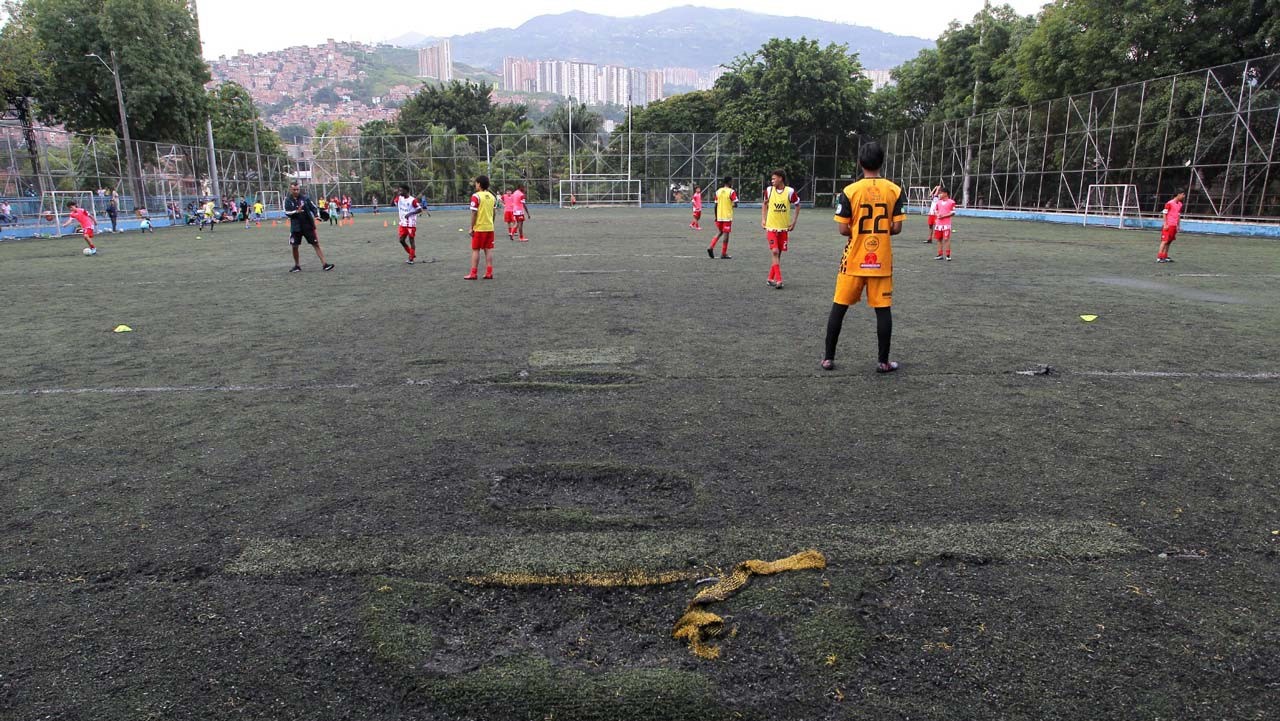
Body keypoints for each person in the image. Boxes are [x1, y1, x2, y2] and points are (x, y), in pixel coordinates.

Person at [822, 142, 905, 374]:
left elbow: (842, 230)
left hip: (854, 259)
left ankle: (828, 358)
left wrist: (859, 231)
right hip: (882, 260)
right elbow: (897, 228)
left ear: (860, 163)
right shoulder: (894, 190)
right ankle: (882, 362)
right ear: (882, 162)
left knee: (839, 308)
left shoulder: (849, 191)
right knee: (883, 310)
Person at [761, 170, 800, 288]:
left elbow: (797, 205)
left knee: (778, 254)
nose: (772, 181)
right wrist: (763, 219)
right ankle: (779, 281)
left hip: (783, 228)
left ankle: (770, 278)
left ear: (781, 178)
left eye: (774, 178)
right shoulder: (768, 191)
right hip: (771, 227)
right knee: (775, 252)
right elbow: (764, 204)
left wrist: (793, 222)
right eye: (771, 179)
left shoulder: (790, 191)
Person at [284, 183, 334, 272]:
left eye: (297, 189)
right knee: (294, 246)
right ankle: (297, 266)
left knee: (316, 244)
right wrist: (296, 211)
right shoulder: (288, 200)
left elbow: (313, 208)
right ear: (290, 190)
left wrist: (316, 215)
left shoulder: (305, 198)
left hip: (308, 226)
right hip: (296, 227)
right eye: (294, 189)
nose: (296, 191)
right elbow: (287, 212)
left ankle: (325, 264)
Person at [465, 175, 497, 280]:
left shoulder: (476, 196)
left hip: (479, 228)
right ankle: (489, 272)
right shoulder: (492, 197)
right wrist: (491, 223)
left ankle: (473, 273)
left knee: (475, 250)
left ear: (479, 184)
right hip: (490, 227)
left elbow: (474, 213)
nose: (475, 185)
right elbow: (494, 212)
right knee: (488, 250)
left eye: (476, 183)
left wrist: (471, 227)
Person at [708, 176, 738, 259]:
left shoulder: (718, 191)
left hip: (719, 216)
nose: (732, 183)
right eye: (731, 181)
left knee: (720, 232)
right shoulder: (731, 192)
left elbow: (715, 205)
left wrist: (716, 217)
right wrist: (731, 205)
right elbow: (735, 204)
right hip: (727, 216)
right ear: (729, 182)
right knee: (726, 234)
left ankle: (711, 247)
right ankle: (723, 253)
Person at [393, 185, 424, 264]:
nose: (400, 192)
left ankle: (411, 259)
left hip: (410, 223)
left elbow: (420, 209)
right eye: (399, 191)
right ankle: (412, 254)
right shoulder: (399, 198)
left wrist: (410, 213)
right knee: (401, 240)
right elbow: (392, 204)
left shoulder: (412, 200)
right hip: (402, 223)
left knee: (411, 240)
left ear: (406, 191)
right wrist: (394, 195)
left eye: (401, 191)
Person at [1157, 192, 1184, 263]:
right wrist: (1165, 224)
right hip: (1168, 225)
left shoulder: (1180, 204)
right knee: (1164, 241)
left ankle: (1165, 256)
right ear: (1178, 194)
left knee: (1169, 242)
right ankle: (1159, 257)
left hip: (1174, 226)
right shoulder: (1169, 203)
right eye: (1182, 194)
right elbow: (1164, 213)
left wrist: (1178, 225)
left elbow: (1178, 215)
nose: (1183, 196)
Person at [932, 188, 956, 261]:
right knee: (939, 239)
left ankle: (948, 255)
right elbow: (935, 210)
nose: (940, 194)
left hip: (946, 224)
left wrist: (944, 216)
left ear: (946, 193)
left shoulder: (951, 202)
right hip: (938, 224)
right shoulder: (938, 202)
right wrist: (937, 214)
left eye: (941, 193)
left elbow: (953, 213)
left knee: (946, 239)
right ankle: (940, 254)